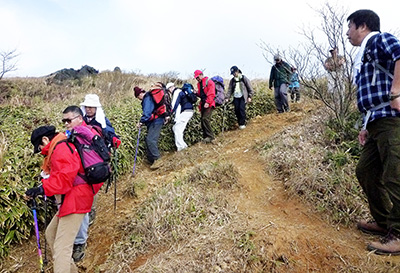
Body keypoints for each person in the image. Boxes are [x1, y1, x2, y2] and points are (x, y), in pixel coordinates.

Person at [347, 9, 400, 255]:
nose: (347, 33)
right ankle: (384, 222)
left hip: (393, 120)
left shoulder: (380, 39)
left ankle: (398, 234)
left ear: (363, 26)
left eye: (350, 27)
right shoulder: (365, 53)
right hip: (376, 121)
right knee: (366, 171)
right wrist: (365, 125)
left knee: (395, 175)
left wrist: (396, 91)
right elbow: (369, 94)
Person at [26, 124, 102, 273]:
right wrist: (40, 190)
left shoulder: (60, 148)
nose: (41, 151)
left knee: (62, 249)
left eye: (40, 147)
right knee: (51, 233)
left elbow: (65, 179)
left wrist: (41, 189)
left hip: (76, 200)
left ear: (45, 139)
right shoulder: (59, 146)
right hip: (71, 199)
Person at [134, 84, 166, 169]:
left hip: (156, 121)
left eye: (138, 97)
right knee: (149, 139)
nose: (139, 99)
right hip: (156, 120)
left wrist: (141, 122)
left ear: (140, 94)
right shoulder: (150, 97)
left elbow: (147, 113)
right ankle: (151, 159)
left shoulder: (147, 98)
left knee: (150, 139)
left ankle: (158, 160)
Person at [167, 82, 195, 151]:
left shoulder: (177, 92)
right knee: (176, 128)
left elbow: (174, 105)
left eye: (168, 90)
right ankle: (183, 146)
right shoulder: (181, 91)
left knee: (177, 128)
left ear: (170, 88)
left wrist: (168, 114)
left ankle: (181, 147)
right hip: (189, 111)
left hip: (186, 111)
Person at [194, 70, 216, 143]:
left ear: (201, 75)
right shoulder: (199, 84)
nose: (197, 79)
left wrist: (208, 102)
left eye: (198, 77)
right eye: (196, 78)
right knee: (202, 120)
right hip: (203, 104)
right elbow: (201, 94)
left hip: (209, 103)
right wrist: (196, 93)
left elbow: (211, 93)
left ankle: (211, 137)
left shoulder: (209, 82)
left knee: (205, 119)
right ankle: (206, 136)